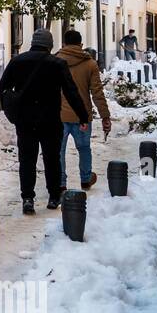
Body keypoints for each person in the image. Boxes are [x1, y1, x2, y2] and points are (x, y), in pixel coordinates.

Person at [0, 29, 90, 214]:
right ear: (49, 44)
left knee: (27, 160)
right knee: (51, 159)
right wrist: (83, 116)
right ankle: (54, 197)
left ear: (32, 42)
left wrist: (11, 111)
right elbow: (71, 92)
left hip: (25, 120)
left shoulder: (17, 61)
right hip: (50, 120)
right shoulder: (57, 63)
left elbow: (4, 87)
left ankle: (27, 198)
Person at [57, 30, 111, 193]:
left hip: (59, 115)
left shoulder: (55, 61)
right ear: (81, 44)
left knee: (58, 151)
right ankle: (86, 180)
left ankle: (61, 183)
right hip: (82, 116)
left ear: (64, 44)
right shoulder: (90, 64)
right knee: (84, 148)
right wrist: (105, 116)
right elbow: (97, 92)